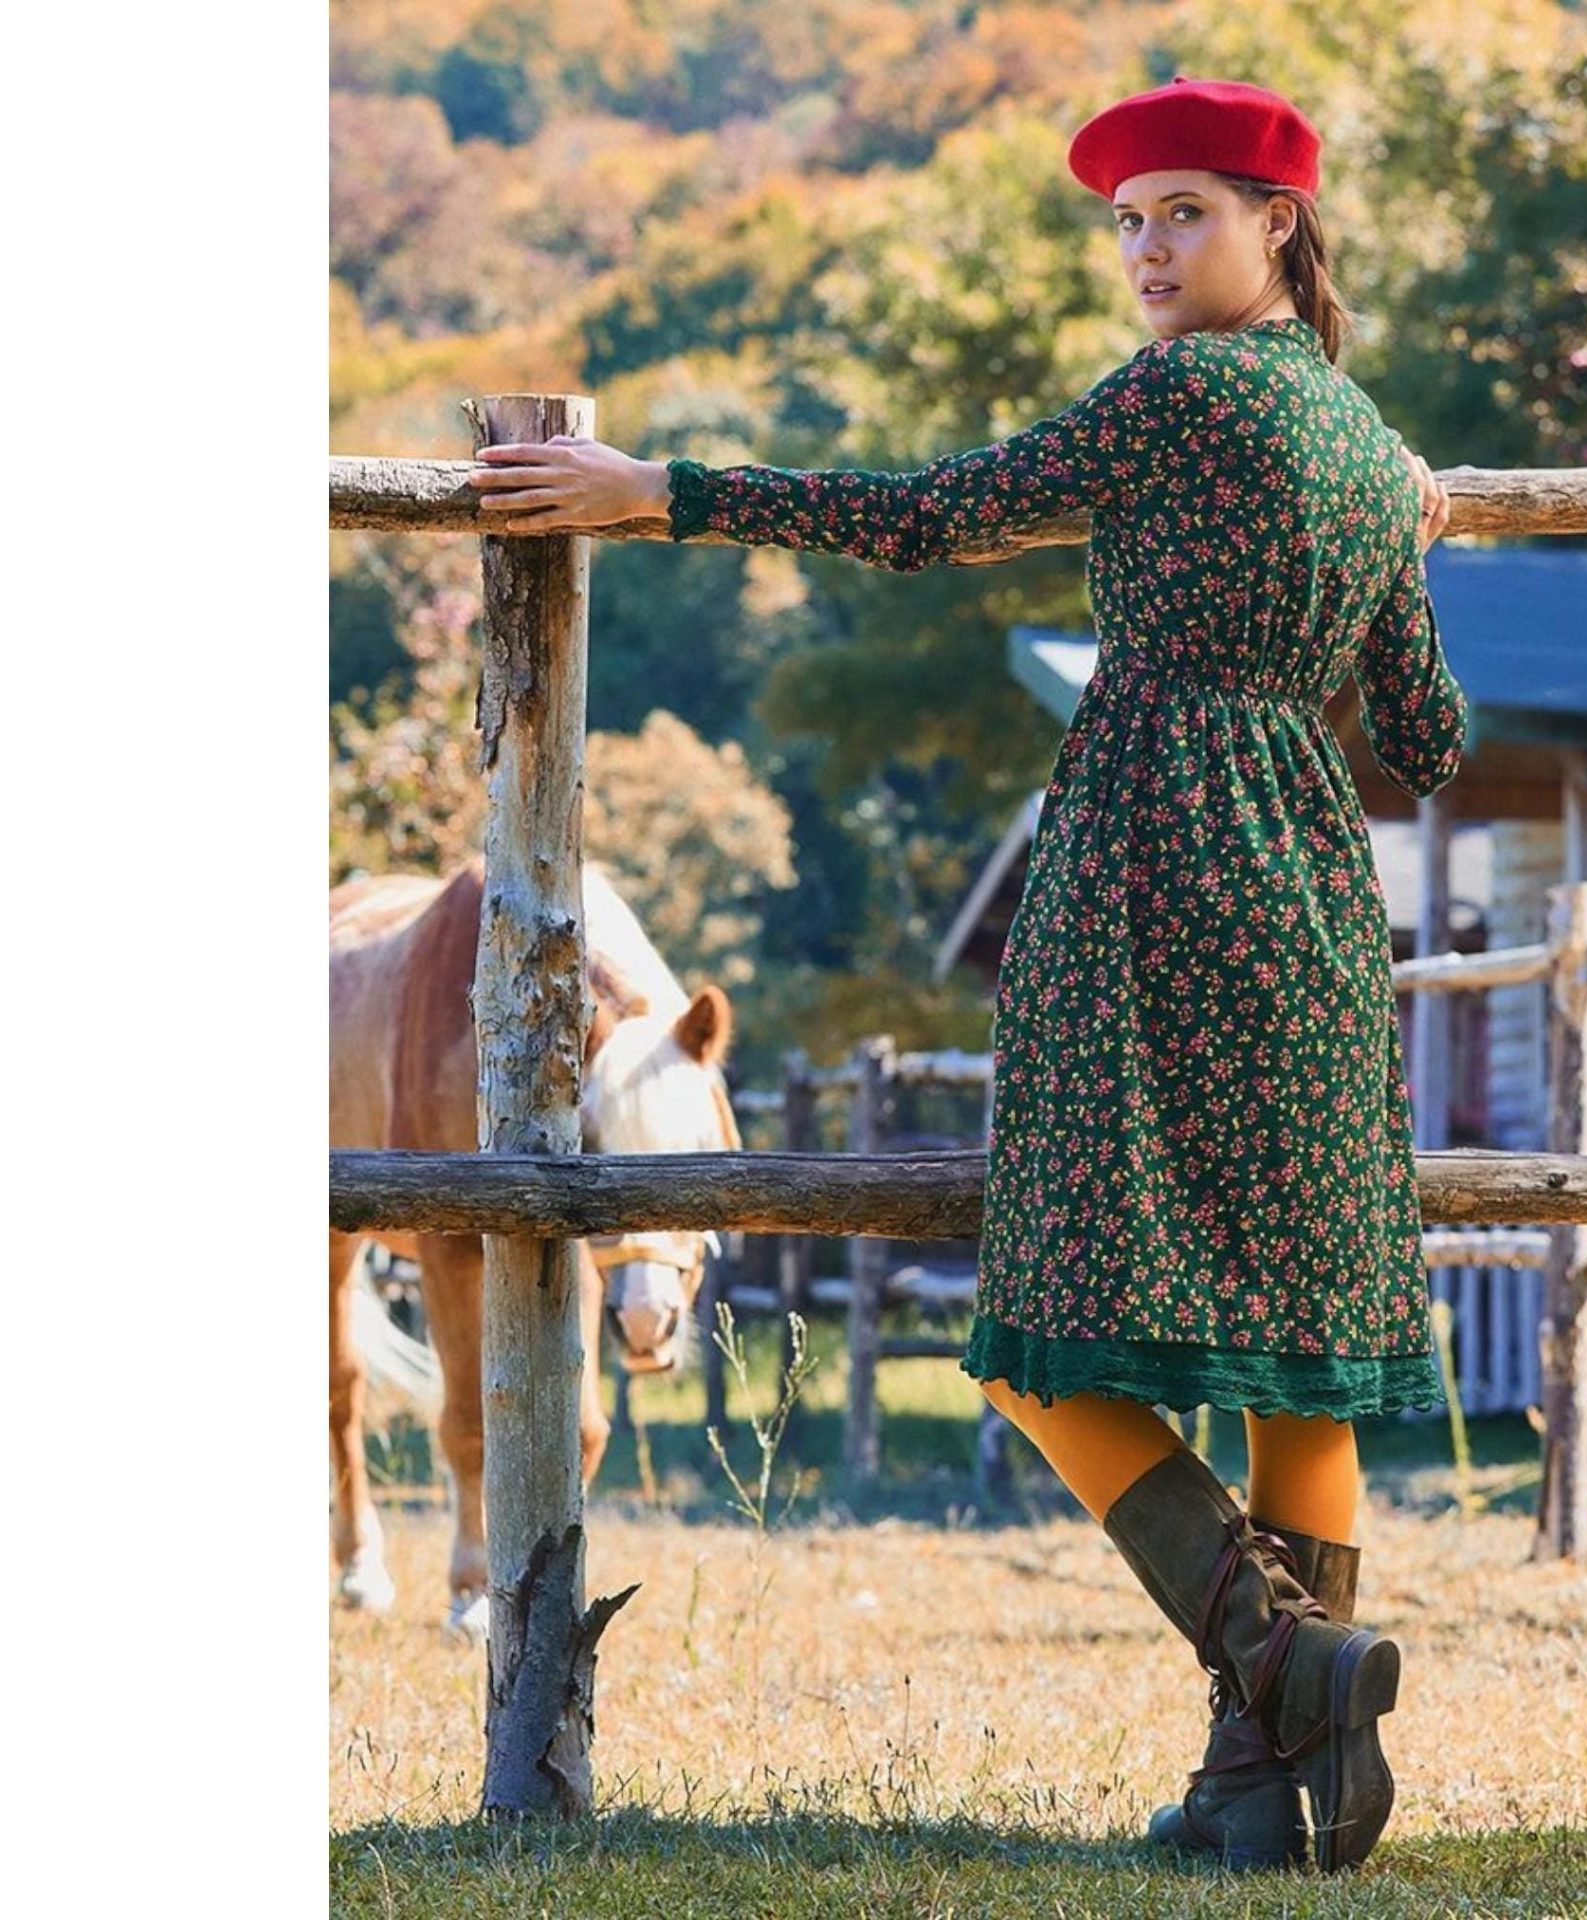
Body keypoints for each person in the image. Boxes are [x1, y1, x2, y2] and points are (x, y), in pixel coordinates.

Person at [467, 74, 1470, 1875]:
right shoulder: (1363, 441)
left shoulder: (1179, 394)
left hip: (1146, 872)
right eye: (1129, 222)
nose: (1147, 250)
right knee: (1298, 1352)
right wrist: (1416, 526)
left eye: (1183, 212)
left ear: (1279, 223)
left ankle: (1285, 1658)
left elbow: (938, 512)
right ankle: (1267, 1799)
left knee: (1035, 1330)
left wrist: (661, 491)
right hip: (1312, 894)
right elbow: (1428, 735)